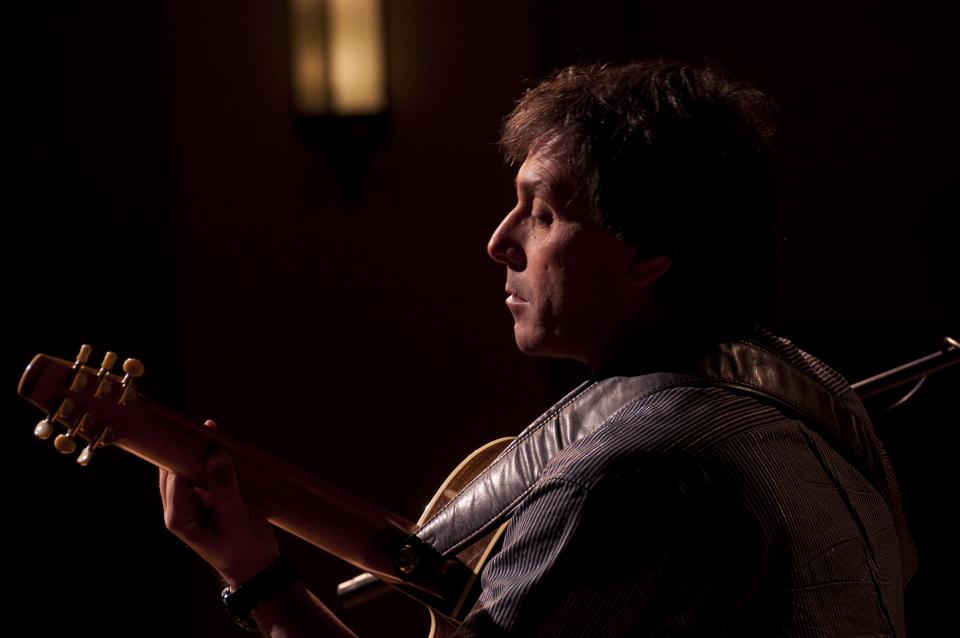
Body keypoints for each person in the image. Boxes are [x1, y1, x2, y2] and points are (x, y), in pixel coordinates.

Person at [160, 60, 916, 636]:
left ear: (650, 250)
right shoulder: (809, 387)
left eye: (544, 213)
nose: (500, 242)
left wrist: (257, 581)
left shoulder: (628, 478)